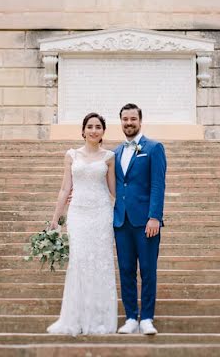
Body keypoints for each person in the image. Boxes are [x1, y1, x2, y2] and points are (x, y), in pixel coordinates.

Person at [46, 112, 118, 335]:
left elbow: (114, 190)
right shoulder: (71, 155)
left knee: (100, 262)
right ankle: (75, 317)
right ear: (84, 130)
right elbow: (65, 188)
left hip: (101, 213)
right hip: (78, 214)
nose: (94, 130)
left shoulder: (109, 157)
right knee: (79, 262)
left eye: (98, 127)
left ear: (103, 131)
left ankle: (99, 318)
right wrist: (56, 219)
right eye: (90, 126)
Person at [112, 103, 167, 335]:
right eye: (125, 119)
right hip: (121, 221)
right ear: (121, 121)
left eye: (133, 119)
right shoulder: (115, 152)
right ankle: (131, 318)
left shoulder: (154, 148)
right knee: (125, 270)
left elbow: (157, 184)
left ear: (140, 120)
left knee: (147, 270)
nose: (129, 123)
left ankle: (147, 318)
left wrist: (154, 216)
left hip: (146, 222)